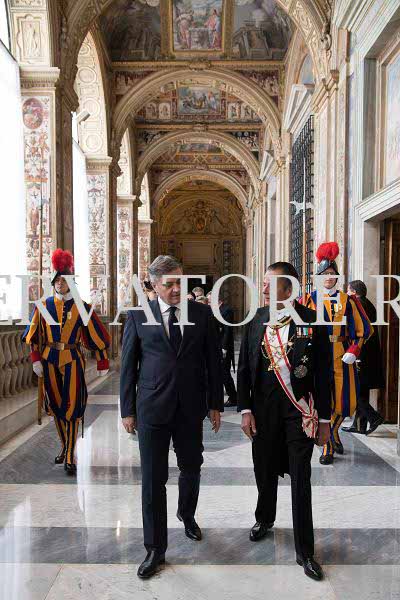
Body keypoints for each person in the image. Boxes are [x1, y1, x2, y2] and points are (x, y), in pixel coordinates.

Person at [120, 255, 224, 579]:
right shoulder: (138, 316)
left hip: (190, 406)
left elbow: (213, 362)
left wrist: (215, 403)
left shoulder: (202, 314)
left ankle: (186, 514)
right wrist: (127, 410)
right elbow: (128, 366)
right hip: (152, 407)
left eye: (180, 281)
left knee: (191, 466)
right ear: (153, 285)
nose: (177, 289)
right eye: (169, 284)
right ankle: (155, 549)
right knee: (153, 479)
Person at [238, 262, 331, 581]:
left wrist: (325, 420)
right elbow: (245, 368)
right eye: (263, 282)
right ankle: (264, 518)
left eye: (270, 283)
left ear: (289, 289)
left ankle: (305, 551)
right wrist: (245, 410)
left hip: (298, 414)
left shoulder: (312, 322)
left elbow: (323, 375)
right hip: (263, 413)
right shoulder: (256, 320)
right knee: (263, 470)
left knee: (301, 479)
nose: (263, 288)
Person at [22, 249, 110, 476]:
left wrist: (102, 362)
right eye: (57, 280)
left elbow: (97, 337)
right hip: (48, 360)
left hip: (72, 360)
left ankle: (70, 453)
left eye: (64, 280)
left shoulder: (83, 307)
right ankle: (65, 446)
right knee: (55, 406)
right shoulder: (43, 306)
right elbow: (33, 337)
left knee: (71, 407)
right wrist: (35, 360)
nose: (60, 284)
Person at [304, 243, 371, 464]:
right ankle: (328, 445)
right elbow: (302, 330)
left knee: (346, 402)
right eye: (324, 274)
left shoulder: (348, 301)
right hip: (318, 359)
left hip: (342, 357)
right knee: (323, 400)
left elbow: (364, 329)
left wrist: (354, 349)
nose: (328, 277)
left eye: (332, 273)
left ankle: (332, 431)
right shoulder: (309, 300)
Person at [342, 280, 385, 435]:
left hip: (360, 353)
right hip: (368, 354)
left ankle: (374, 417)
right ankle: (359, 425)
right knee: (362, 389)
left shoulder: (357, 305)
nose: (347, 294)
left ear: (354, 292)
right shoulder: (368, 304)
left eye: (348, 291)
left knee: (354, 390)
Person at [215, 295, 237, 408]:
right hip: (217, 346)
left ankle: (233, 397)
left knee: (225, 373)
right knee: (221, 373)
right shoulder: (216, 310)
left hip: (224, 347)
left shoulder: (226, 310)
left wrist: (224, 348)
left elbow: (227, 330)